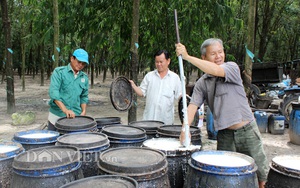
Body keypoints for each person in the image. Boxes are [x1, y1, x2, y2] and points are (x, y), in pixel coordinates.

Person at [175, 38, 268, 188]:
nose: (218, 56)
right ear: (204, 57)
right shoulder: (202, 83)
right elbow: (192, 105)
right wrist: (185, 127)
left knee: (260, 176)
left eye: (220, 52)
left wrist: (186, 57)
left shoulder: (231, 68)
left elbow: (216, 70)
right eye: (213, 54)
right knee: (225, 176)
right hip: (225, 135)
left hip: (247, 131)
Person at [129, 50, 182, 125]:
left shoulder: (174, 78)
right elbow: (142, 92)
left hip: (166, 123)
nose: (159, 64)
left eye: (161, 62)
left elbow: (180, 96)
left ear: (168, 61)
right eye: (157, 62)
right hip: (149, 120)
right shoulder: (149, 76)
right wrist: (133, 86)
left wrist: (185, 98)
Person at [47, 48, 89, 130]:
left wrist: (83, 110)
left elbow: (84, 96)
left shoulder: (84, 77)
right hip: (57, 116)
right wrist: (65, 110)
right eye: (79, 62)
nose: (80, 65)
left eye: (83, 64)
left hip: (75, 117)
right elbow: (54, 93)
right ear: (72, 58)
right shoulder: (59, 72)